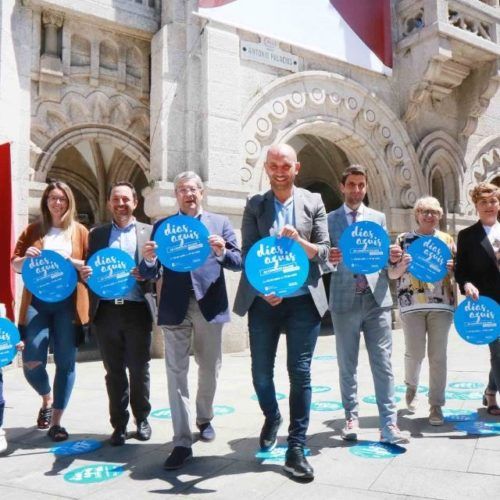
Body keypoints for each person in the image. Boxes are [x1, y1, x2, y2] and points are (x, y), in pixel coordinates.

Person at [233, 144, 330, 481]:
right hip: (265, 301)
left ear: (296, 167)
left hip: (304, 299)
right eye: (273, 164)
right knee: (261, 371)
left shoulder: (313, 202)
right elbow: (247, 253)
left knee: (299, 372)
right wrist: (262, 289)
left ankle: (296, 447)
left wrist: (301, 241)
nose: (278, 170)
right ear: (266, 167)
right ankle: (272, 415)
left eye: (285, 165)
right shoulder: (255, 204)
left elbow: (324, 251)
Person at [140, 171, 242, 470]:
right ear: (177, 196)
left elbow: (239, 262)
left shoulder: (220, 224)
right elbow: (148, 272)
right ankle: (182, 441)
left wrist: (222, 251)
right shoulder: (162, 227)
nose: (189, 194)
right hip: (174, 307)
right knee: (175, 373)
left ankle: (204, 417)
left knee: (209, 367)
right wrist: (147, 260)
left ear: (202, 192)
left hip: (208, 305)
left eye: (193, 189)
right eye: (183, 189)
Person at [326, 165, 409, 444]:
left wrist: (393, 256)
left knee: (383, 363)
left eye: (361, 185)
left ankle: (389, 424)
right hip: (344, 300)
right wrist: (330, 259)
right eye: (352, 184)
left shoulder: (378, 218)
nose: (357, 190)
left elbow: (383, 259)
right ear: (342, 186)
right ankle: (351, 418)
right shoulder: (329, 220)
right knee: (346, 363)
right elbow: (322, 260)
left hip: (377, 298)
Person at [11, 181, 89, 442]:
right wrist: (26, 258)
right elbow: (16, 265)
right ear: (46, 202)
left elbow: (89, 266)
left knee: (66, 361)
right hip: (37, 303)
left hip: (68, 303)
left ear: (69, 202)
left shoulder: (79, 232)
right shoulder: (33, 230)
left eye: (62, 199)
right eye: (53, 198)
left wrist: (72, 262)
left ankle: (56, 421)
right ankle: (46, 397)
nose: (57, 203)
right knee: (31, 359)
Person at [80, 182, 156, 445]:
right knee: (113, 371)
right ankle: (119, 425)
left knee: (139, 369)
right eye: (116, 199)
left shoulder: (149, 232)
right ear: (109, 204)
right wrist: (86, 276)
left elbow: (158, 271)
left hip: (137, 309)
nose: (121, 204)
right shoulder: (97, 235)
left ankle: (142, 418)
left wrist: (145, 271)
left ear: (135, 202)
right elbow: (90, 272)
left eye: (126, 199)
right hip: (107, 312)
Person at [389, 197, 455, 425]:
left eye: (434, 212)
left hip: (441, 304)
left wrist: (454, 268)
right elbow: (392, 274)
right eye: (425, 211)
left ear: (440, 216)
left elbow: (458, 272)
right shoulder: (403, 239)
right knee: (415, 353)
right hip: (412, 305)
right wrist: (402, 265)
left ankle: (436, 406)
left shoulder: (447, 240)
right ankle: (411, 386)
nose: (429, 215)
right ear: (416, 214)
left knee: (438, 357)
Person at [455, 182, 500, 416]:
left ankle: (491, 391)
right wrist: (467, 283)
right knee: (499, 352)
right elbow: (460, 270)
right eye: (484, 202)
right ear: (476, 206)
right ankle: (495, 395)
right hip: (488, 303)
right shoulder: (467, 235)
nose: (489, 206)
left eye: (493, 201)